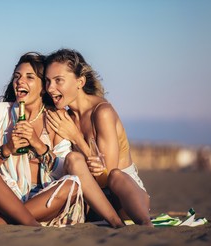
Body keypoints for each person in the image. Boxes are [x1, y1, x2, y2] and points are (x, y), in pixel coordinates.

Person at [0, 52, 84, 228]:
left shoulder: (55, 117)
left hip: (45, 198)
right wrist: (7, 149)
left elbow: (62, 172)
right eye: (17, 77)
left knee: (72, 185)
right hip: (6, 193)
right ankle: (26, 221)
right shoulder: (0, 112)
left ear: (43, 87)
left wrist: (37, 144)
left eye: (29, 77)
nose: (20, 81)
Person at [45, 48, 152, 227]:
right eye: (47, 81)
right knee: (73, 159)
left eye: (58, 81)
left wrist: (76, 137)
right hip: (94, 203)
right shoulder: (66, 118)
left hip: (126, 199)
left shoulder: (102, 112)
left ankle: (146, 226)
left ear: (79, 82)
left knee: (116, 176)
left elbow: (106, 176)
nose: (50, 88)